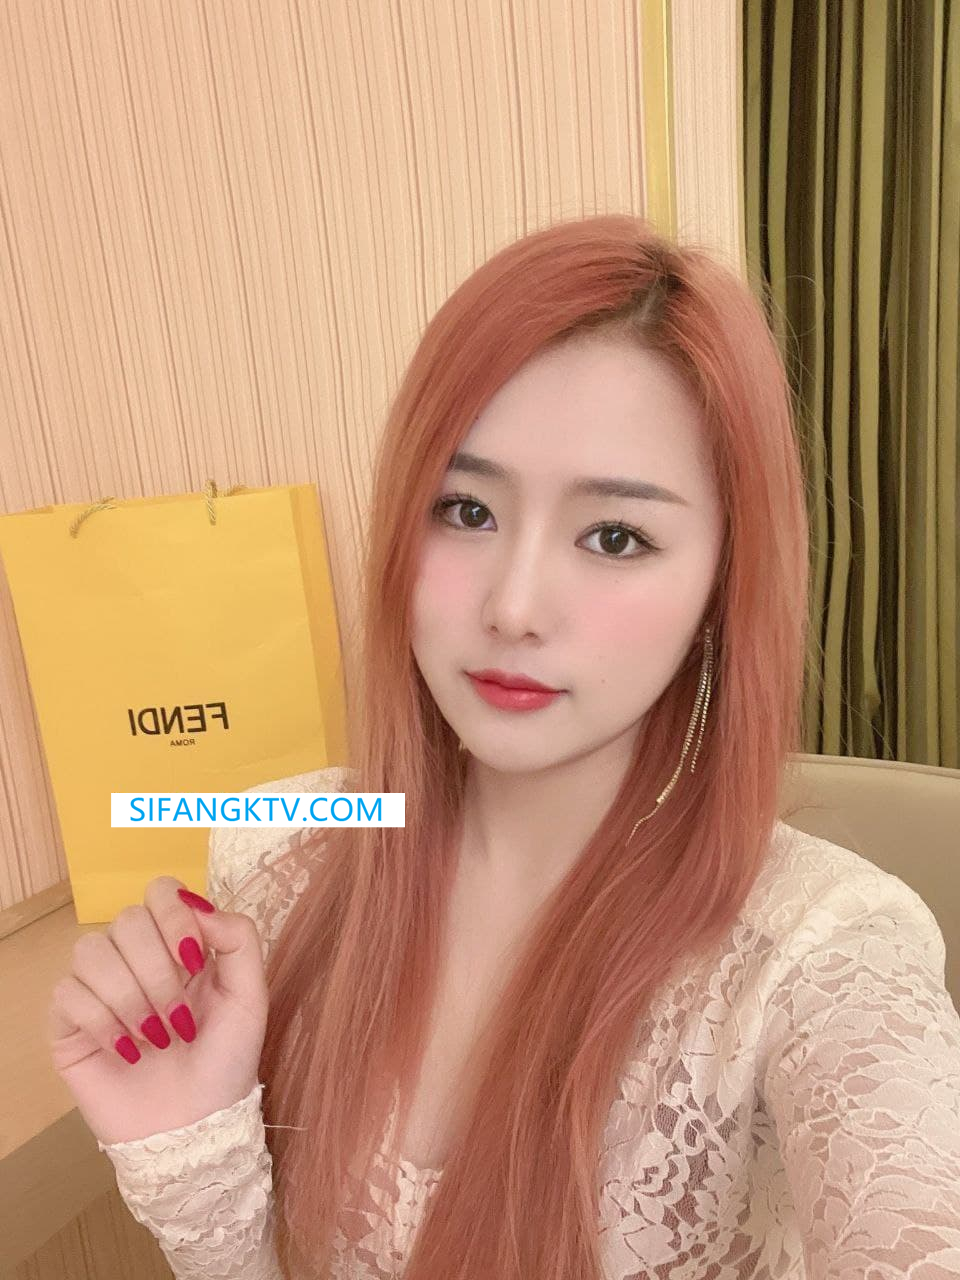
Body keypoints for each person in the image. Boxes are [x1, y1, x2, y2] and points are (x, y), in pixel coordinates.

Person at [47, 215, 960, 1279]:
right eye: (465, 509)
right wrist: (191, 1153)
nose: (514, 606)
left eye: (614, 536)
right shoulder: (274, 845)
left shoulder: (824, 951)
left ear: (723, 585)